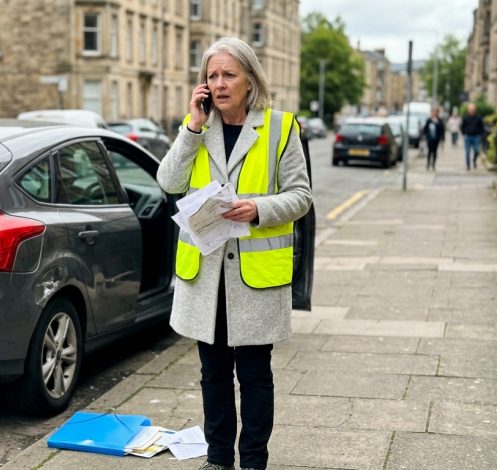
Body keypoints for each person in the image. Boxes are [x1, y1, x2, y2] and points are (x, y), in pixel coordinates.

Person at [156, 37, 312, 470]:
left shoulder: (280, 128)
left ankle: (254, 462)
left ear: (250, 80)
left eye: (229, 74)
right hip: (206, 276)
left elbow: (301, 196)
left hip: (255, 277)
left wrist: (259, 207)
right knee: (213, 375)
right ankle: (219, 458)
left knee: (256, 377)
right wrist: (191, 126)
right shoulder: (197, 129)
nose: (219, 84)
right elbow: (168, 182)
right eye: (212, 76)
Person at [460, 102, 485, 170]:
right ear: (468, 110)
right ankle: (468, 165)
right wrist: (464, 133)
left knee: (476, 150)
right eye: (470, 109)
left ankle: (474, 161)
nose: (472, 111)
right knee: (467, 152)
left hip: (476, 136)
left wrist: (481, 134)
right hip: (468, 136)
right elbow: (462, 126)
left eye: (473, 109)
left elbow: (482, 127)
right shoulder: (465, 117)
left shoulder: (478, 118)